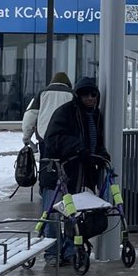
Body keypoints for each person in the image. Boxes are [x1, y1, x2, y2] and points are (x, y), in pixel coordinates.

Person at [41, 76, 112, 257]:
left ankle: (71, 250)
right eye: (85, 95)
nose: (90, 98)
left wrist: (100, 154)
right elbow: (52, 139)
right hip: (58, 170)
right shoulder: (65, 112)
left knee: (75, 212)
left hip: (82, 171)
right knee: (55, 212)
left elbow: (96, 141)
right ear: (78, 96)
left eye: (93, 94)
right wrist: (77, 147)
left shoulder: (96, 115)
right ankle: (52, 252)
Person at [22, 72, 74, 246]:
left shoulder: (42, 93)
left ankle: (51, 239)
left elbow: (29, 117)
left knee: (49, 184)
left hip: (47, 145)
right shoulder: (72, 95)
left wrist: (27, 139)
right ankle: (69, 241)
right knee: (69, 189)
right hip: (68, 146)